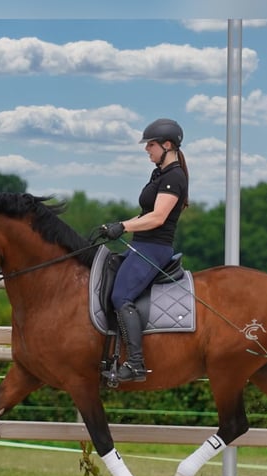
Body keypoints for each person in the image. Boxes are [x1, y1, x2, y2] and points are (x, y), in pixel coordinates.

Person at [99, 118, 189, 383]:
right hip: (141, 244)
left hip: (154, 248)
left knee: (121, 296)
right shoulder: (159, 174)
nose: (146, 149)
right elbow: (145, 213)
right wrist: (116, 226)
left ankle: (136, 364)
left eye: (150, 144)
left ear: (167, 145)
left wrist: (123, 226)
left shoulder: (174, 177)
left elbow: (158, 217)